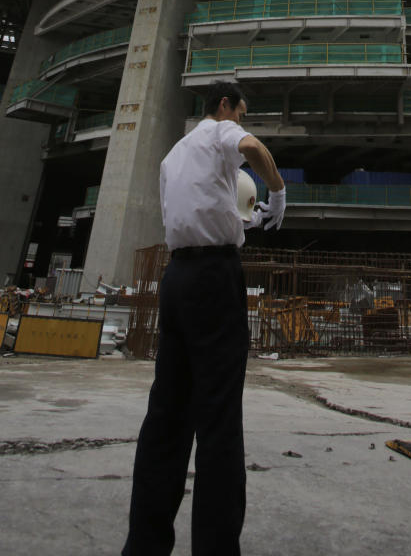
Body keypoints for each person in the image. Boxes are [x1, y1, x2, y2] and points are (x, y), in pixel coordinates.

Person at [123, 79, 286, 556]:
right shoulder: (220, 132)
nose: (241, 120)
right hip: (216, 278)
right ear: (224, 105)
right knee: (217, 417)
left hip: (177, 279)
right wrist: (276, 193)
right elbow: (252, 146)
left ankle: (144, 545)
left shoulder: (174, 154)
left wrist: (241, 222)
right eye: (240, 111)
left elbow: (196, 211)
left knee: (166, 416)